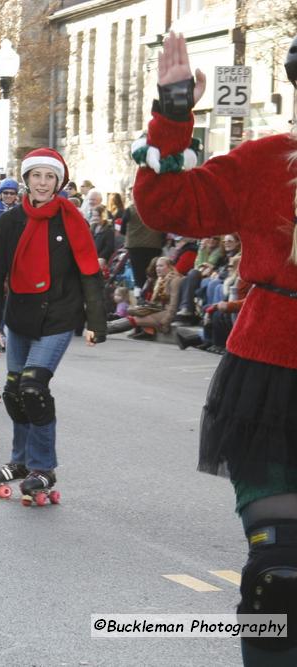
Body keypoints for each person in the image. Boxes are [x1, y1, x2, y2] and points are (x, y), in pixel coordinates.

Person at [134, 33, 297, 663]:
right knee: (280, 570)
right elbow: (169, 203)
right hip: (273, 379)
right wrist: (174, 117)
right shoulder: (268, 161)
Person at [0, 148, 107, 503]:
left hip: (58, 315)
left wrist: (96, 322)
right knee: (13, 391)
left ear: (58, 182)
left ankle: (43, 467)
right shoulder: (10, 221)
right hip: (20, 313)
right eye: (36, 175)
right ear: (27, 179)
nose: (42, 183)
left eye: (49, 177)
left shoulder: (71, 220)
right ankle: (20, 462)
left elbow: (89, 272)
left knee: (33, 387)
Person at [122, 202, 164, 291]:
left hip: (135, 246)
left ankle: (140, 295)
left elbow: (122, 229)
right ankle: (153, 293)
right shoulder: (158, 208)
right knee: (153, 272)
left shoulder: (131, 209)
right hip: (154, 244)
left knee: (139, 274)